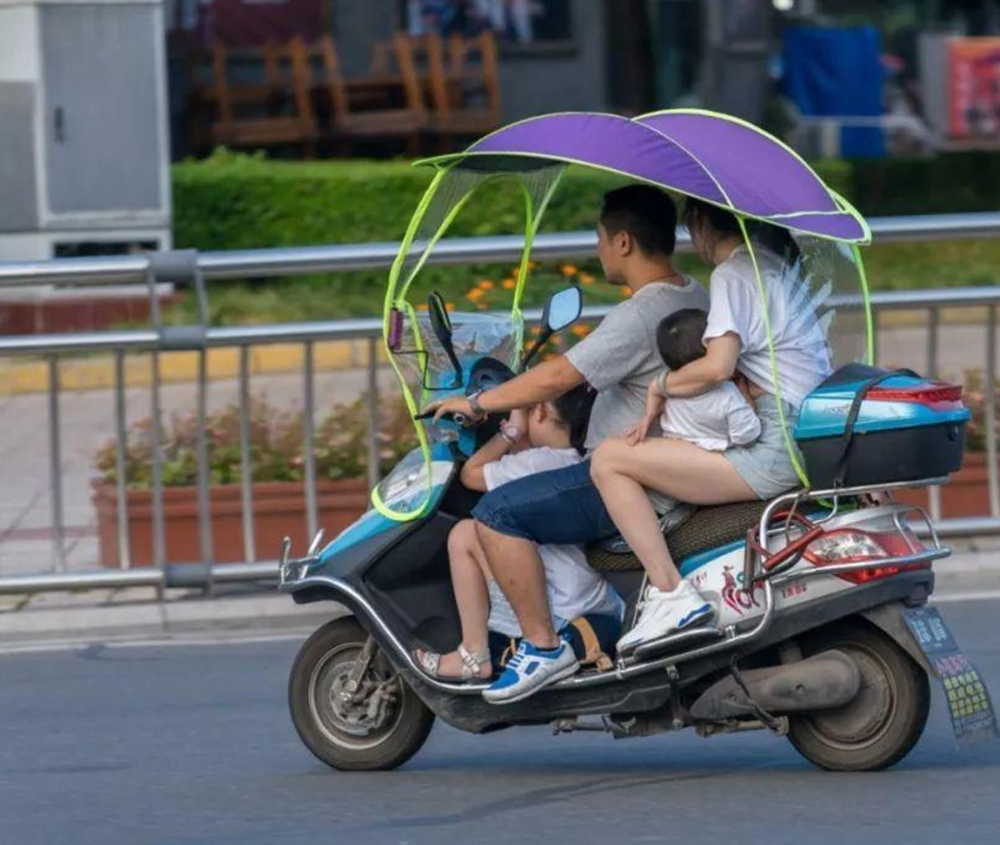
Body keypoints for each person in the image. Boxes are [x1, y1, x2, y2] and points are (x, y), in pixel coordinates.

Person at [424, 184, 709, 703]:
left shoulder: (642, 314)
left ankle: (542, 646)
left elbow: (558, 376)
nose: (598, 250)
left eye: (600, 239)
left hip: (621, 475)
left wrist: (481, 405)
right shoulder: (693, 292)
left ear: (622, 242)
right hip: (663, 462)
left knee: (497, 512)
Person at [590, 198, 832, 651]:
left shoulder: (734, 272)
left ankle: (670, 596)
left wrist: (661, 384)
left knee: (610, 459)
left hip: (775, 446)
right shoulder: (773, 265)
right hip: (799, 431)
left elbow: (717, 366)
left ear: (701, 223)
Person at [414, 385, 623, 688]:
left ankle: (474, 654)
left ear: (537, 411)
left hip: (561, 613)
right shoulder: (575, 462)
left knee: (464, 534)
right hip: (595, 602)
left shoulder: (535, 463)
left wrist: (510, 432)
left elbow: (470, 474)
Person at [612, 307, 762, 651]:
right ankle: (671, 593)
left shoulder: (672, 390)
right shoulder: (726, 396)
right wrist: (749, 403)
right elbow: (748, 436)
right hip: (712, 461)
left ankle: (667, 591)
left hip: (677, 458)